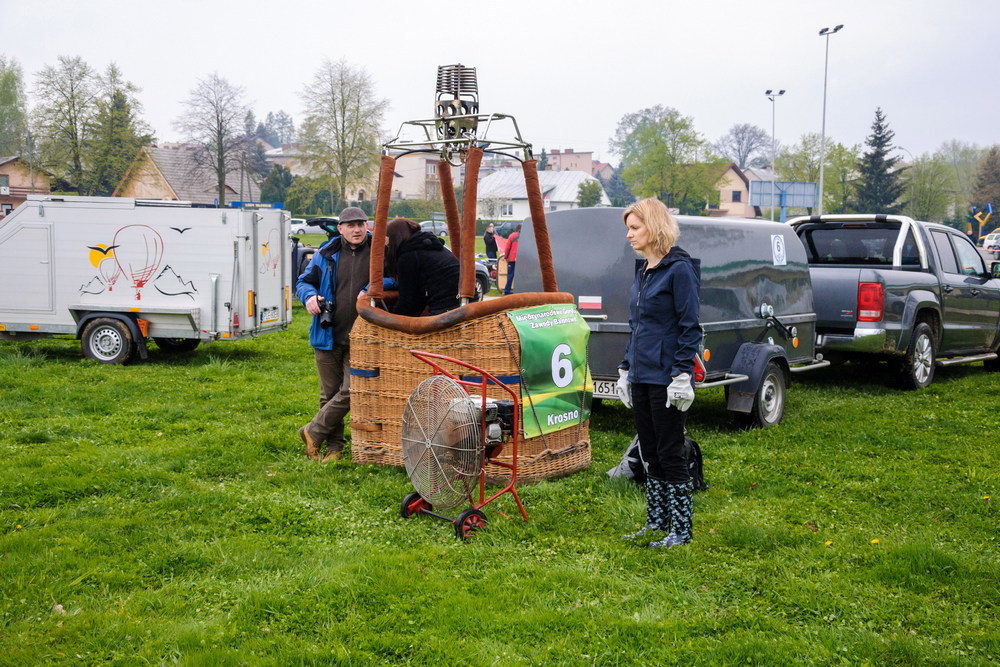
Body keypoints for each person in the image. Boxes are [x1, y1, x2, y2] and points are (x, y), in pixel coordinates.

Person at [615, 198, 701, 548]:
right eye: (628, 228)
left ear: (655, 227)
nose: (629, 234)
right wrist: (625, 367)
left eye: (635, 228)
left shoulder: (679, 270)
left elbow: (689, 326)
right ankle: (656, 522)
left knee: (669, 452)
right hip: (642, 375)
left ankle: (680, 530)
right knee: (649, 452)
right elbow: (638, 326)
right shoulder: (644, 271)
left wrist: (682, 374)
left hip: (668, 378)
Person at [296, 206, 374, 463]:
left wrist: (370, 289)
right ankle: (334, 449)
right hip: (327, 332)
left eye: (360, 224)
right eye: (350, 225)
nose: (357, 229)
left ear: (367, 226)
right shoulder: (325, 254)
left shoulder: (378, 253)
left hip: (362, 336)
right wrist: (309, 297)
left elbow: (391, 279)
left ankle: (312, 431)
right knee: (329, 395)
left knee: (351, 391)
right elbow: (303, 282)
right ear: (340, 229)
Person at [384, 217, 460, 317]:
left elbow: (409, 300)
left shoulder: (408, 255)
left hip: (446, 307)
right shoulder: (429, 246)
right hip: (465, 300)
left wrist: (392, 320)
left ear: (394, 238)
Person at [502, 224, 521, 295]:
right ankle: (520, 291)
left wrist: (506, 257)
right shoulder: (525, 236)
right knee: (520, 276)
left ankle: (507, 291)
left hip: (512, 259)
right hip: (522, 259)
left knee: (510, 275)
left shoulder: (512, 236)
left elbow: (507, 248)